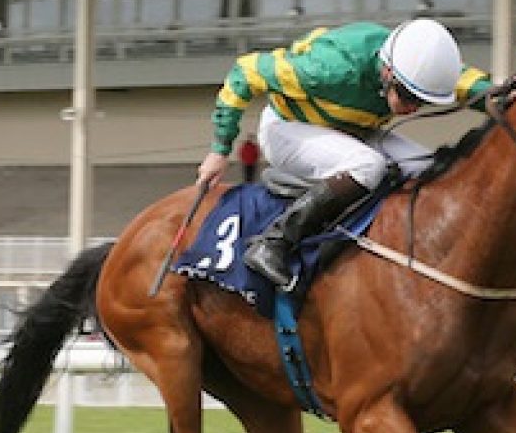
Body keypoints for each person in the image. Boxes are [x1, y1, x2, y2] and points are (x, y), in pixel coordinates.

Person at [197, 17, 491, 289]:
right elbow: (246, 71)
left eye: (422, 101)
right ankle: (273, 242)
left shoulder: (414, 62)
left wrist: (501, 96)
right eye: (407, 96)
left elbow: (465, 82)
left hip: (351, 130)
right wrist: (220, 150)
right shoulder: (330, 70)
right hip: (287, 128)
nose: (412, 108)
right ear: (388, 72)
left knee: (426, 166)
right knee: (368, 165)